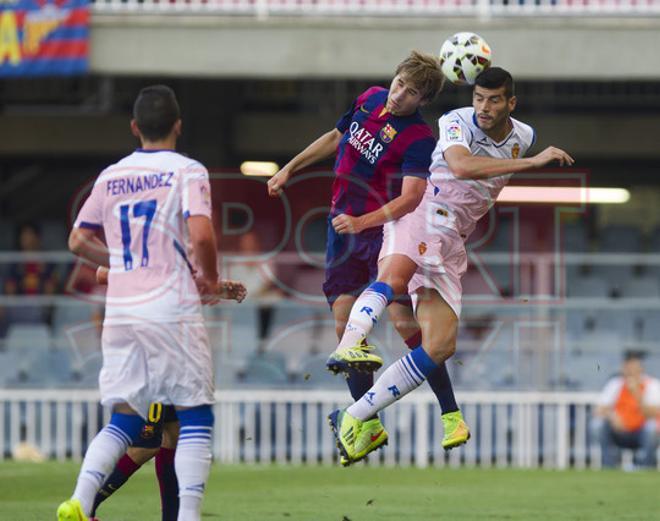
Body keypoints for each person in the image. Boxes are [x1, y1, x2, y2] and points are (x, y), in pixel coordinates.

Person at [328, 67, 575, 464]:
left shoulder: (523, 136)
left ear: (510, 103)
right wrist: (532, 165)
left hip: (454, 241)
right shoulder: (455, 121)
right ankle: (350, 343)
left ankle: (353, 416)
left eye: (494, 100)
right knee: (392, 280)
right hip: (422, 214)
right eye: (478, 97)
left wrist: (527, 157)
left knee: (441, 345)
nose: (483, 107)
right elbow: (460, 166)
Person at [57, 85, 246, 521]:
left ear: (134, 127)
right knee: (193, 417)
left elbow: (77, 240)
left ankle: (80, 503)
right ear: (179, 125)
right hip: (170, 312)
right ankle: (187, 516)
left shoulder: (110, 177)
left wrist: (124, 264)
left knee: (127, 423)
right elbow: (200, 235)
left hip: (122, 313)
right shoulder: (187, 171)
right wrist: (212, 280)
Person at [267, 51, 469, 456]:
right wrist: (290, 167)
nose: (399, 96)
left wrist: (364, 222)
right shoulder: (371, 98)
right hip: (342, 228)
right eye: (398, 84)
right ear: (391, 79)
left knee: (403, 324)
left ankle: (450, 412)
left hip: (384, 231)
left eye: (411, 93)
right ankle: (368, 425)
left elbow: (412, 198)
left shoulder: (418, 138)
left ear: (422, 101)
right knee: (345, 331)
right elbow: (336, 136)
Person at [594, 351, 660, 469]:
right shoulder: (615, 384)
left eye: (633, 368)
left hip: (641, 432)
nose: (630, 372)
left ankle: (646, 467)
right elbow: (599, 409)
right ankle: (609, 468)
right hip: (620, 430)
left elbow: (653, 413)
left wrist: (637, 394)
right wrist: (612, 416)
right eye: (627, 368)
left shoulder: (652, 385)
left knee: (651, 428)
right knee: (597, 425)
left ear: (641, 369)